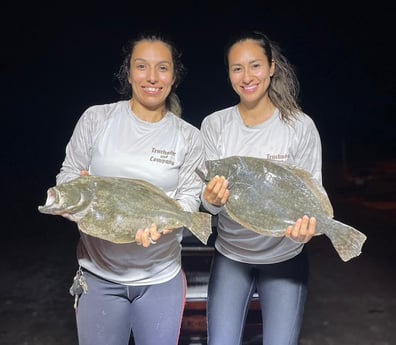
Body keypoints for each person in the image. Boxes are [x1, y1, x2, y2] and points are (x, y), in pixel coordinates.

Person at [55, 32, 205, 345]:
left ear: (174, 76)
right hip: (98, 277)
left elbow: (190, 198)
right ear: (128, 72)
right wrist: (73, 202)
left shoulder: (188, 137)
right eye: (142, 66)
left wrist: (165, 225)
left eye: (162, 68)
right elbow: (69, 174)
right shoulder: (97, 119)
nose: (152, 77)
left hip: (161, 279)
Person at [200, 30, 323, 345]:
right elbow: (210, 205)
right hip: (231, 255)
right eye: (236, 68)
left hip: (285, 257)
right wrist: (210, 200)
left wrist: (309, 226)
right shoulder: (215, 125)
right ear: (228, 74)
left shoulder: (299, 126)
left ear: (271, 67)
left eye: (255, 65)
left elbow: (314, 198)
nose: (246, 76)